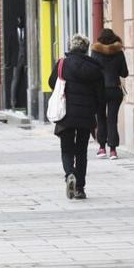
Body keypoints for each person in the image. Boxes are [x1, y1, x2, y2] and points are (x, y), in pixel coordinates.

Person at [48, 34, 105, 200]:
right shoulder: (94, 68)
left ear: (71, 48)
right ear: (86, 49)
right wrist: (97, 114)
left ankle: (69, 174)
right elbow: (101, 96)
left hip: (65, 113)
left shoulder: (62, 64)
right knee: (81, 151)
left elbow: (52, 82)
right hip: (85, 115)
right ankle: (79, 188)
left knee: (66, 148)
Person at [90, 29, 128, 160]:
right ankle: (113, 150)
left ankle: (101, 148)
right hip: (114, 90)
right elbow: (124, 73)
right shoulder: (119, 52)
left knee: (100, 118)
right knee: (113, 119)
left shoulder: (95, 52)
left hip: (100, 90)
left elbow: (92, 72)